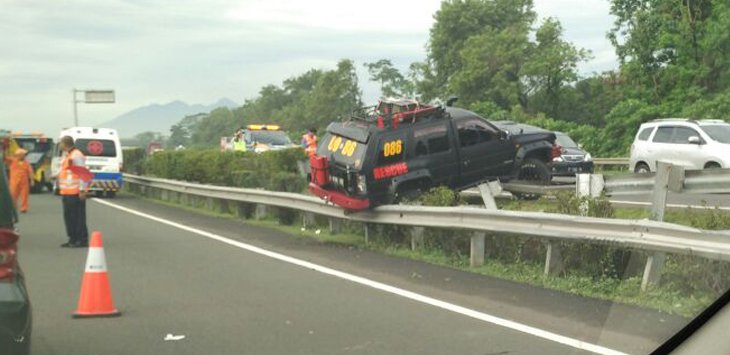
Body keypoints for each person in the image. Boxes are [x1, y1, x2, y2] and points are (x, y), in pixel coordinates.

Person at [57, 136, 89, 248]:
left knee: (77, 217)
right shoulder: (68, 155)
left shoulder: (76, 155)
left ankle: (81, 239)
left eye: (60, 143)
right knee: (69, 217)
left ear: (65, 143)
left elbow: (83, 174)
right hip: (67, 192)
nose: (59, 145)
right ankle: (72, 238)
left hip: (75, 192)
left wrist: (82, 190)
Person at [4, 148, 34, 213]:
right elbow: (4, 158)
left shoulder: (27, 163)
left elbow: (30, 172)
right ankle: (13, 208)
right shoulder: (12, 161)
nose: (25, 156)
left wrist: (32, 180)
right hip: (14, 182)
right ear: (19, 155)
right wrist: (4, 149)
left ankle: (24, 208)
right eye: (23, 154)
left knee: (24, 195)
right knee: (13, 195)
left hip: (24, 182)